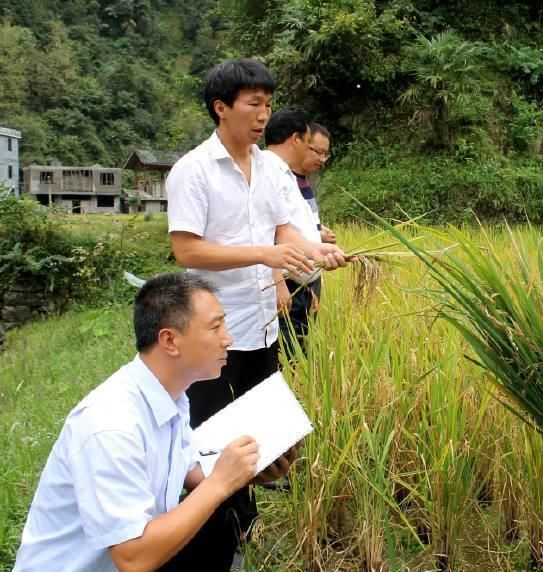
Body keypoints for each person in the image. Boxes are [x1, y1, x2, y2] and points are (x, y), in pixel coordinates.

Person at [164, 59, 346, 570]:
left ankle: (243, 528)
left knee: (263, 434)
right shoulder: (193, 170)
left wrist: (315, 251)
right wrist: (263, 254)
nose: (263, 114)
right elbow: (187, 250)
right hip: (211, 333)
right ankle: (213, 541)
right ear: (221, 108)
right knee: (212, 439)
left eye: (268, 104)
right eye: (253, 104)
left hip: (264, 324)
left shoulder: (271, 169)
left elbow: (287, 230)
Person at [12, 273, 296, 572]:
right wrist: (221, 481)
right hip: (120, 560)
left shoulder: (170, 397)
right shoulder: (111, 425)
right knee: (216, 496)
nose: (228, 338)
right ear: (170, 340)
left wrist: (251, 469)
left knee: (222, 507)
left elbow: (193, 471)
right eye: (216, 326)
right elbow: (132, 558)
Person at [263, 108, 324, 355]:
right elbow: (268, 233)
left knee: (297, 351)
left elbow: (289, 227)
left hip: (300, 283)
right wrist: (277, 283)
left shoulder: (285, 173)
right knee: (286, 355)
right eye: (309, 143)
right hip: (288, 283)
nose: (310, 150)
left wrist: (319, 248)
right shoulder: (268, 171)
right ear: (295, 139)